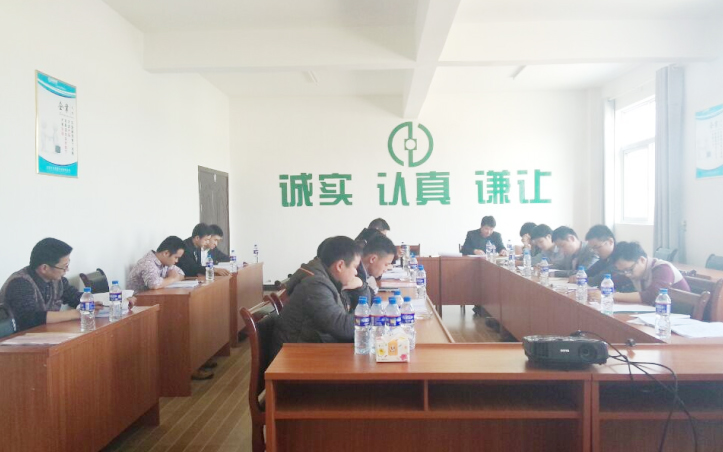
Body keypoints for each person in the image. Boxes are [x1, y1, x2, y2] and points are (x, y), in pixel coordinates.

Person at [272, 236, 361, 358]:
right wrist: (373, 317)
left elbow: (345, 318)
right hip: (294, 357)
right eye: (355, 267)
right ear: (340, 265)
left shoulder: (326, 279)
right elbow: (342, 327)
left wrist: (361, 287)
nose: (356, 273)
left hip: (306, 348)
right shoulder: (315, 285)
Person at [0, 238, 82, 332]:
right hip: (16, 338)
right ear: (44, 268)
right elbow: (28, 319)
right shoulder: (20, 283)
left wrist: (91, 303)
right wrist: (74, 314)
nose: (67, 270)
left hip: (44, 334)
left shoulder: (58, 280)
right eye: (64, 266)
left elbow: (75, 297)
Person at [610, 242, 690, 305]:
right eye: (622, 271)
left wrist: (613, 295)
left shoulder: (663, 269)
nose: (627, 274)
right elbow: (612, 281)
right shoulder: (634, 270)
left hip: (679, 315)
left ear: (642, 260)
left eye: (629, 270)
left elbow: (651, 296)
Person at [345, 234, 397, 311]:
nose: (386, 269)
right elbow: (363, 310)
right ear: (373, 259)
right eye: (386, 264)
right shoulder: (353, 274)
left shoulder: (363, 273)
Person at [583, 225, 634, 291]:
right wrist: (580, 275)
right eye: (592, 249)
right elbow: (589, 272)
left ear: (610, 241)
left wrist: (582, 279)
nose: (595, 252)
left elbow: (597, 280)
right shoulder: (605, 258)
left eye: (597, 247)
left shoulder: (619, 258)